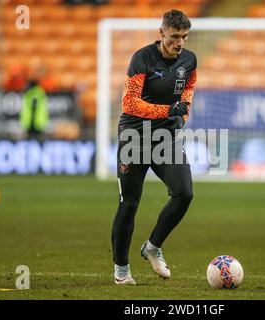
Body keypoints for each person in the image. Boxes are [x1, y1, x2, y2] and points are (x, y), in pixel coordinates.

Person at [111, 9, 197, 285]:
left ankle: (152, 246)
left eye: (184, 37)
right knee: (129, 204)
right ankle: (122, 269)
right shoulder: (142, 58)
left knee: (184, 193)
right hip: (134, 135)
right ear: (161, 33)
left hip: (165, 136)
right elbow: (130, 103)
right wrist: (167, 110)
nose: (179, 42)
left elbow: (187, 97)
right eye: (174, 36)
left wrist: (181, 117)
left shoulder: (190, 60)